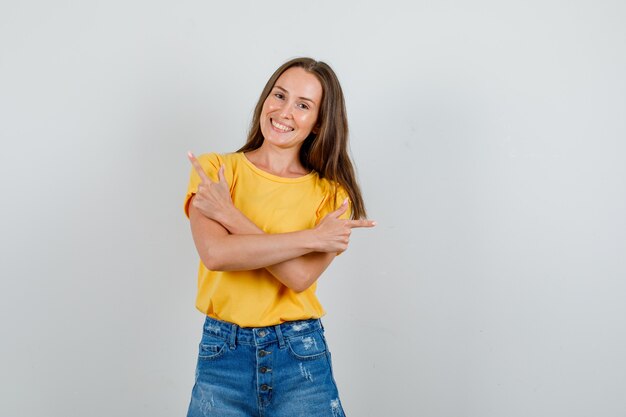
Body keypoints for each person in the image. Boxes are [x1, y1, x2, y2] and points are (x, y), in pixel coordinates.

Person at [183, 57, 375, 417]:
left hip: (300, 355)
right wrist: (313, 238)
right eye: (279, 95)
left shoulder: (333, 195)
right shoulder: (214, 170)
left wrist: (230, 215)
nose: (284, 112)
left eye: (303, 105)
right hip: (222, 354)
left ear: (319, 122)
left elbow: (299, 278)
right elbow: (217, 254)